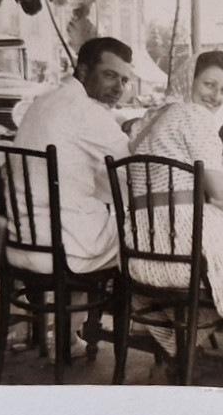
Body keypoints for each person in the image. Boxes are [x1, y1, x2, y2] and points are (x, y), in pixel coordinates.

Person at [128, 50, 223, 383]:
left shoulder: (152, 116)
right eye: (208, 84)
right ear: (189, 80)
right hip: (181, 247)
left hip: (141, 244)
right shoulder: (194, 116)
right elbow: (220, 191)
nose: (215, 95)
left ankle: (185, 350)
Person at [11, 37, 133, 357]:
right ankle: (143, 338)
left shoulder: (42, 101)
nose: (118, 86)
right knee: (135, 238)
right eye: (109, 75)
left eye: (124, 79)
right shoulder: (86, 112)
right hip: (60, 247)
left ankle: (69, 334)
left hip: (20, 240)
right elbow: (134, 167)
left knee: (97, 215)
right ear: (82, 69)